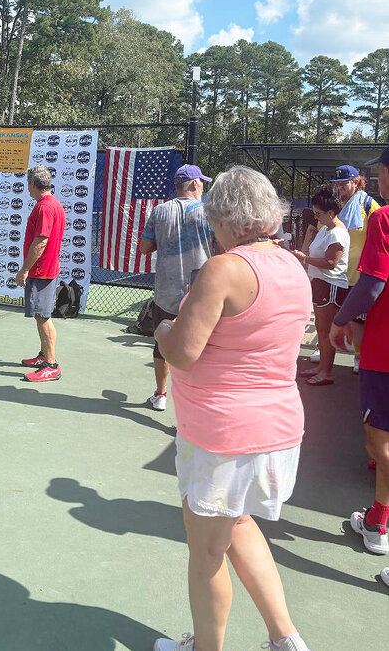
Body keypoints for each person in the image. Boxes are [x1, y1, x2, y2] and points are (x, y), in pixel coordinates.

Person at [153, 166, 312, 651]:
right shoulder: (291, 265)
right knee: (240, 524)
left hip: (223, 435)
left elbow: (181, 351)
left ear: (225, 217)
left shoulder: (224, 268)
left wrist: (161, 333)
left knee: (205, 554)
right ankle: (286, 640)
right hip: (276, 428)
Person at [329, 146, 389, 560]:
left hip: (384, 353)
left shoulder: (382, 218)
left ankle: (379, 521)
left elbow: (371, 285)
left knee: (379, 440)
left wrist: (340, 320)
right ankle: (377, 518)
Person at [139, 164, 214, 411]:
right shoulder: (209, 212)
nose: (203, 185)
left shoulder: (159, 211)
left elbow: (145, 247)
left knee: (164, 342)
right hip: (202, 291)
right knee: (203, 347)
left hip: (167, 290)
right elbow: (224, 247)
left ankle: (160, 395)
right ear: (194, 184)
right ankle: (196, 403)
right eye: (201, 182)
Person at [292, 186, 349, 386]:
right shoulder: (326, 228)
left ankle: (326, 372)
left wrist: (305, 258)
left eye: (319, 214)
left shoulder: (337, 234)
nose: (316, 218)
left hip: (330, 285)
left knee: (325, 331)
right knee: (320, 328)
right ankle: (321, 367)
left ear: (331, 213)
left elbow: (331, 263)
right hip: (320, 283)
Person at [327, 164, 380, 373]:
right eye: (337, 184)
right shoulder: (336, 206)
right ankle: (327, 349)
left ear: (356, 182)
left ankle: (358, 357)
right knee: (333, 310)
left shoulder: (368, 204)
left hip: (359, 271)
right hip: (337, 269)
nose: (340, 188)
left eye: (344, 183)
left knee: (358, 318)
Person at [17, 166, 66, 382]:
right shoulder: (51, 204)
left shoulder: (45, 208)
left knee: (43, 317)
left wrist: (25, 269)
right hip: (45, 270)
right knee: (41, 316)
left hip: (42, 271)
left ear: (32, 184)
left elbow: (41, 241)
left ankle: (51, 365)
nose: (27, 188)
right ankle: (43, 355)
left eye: (28, 184)